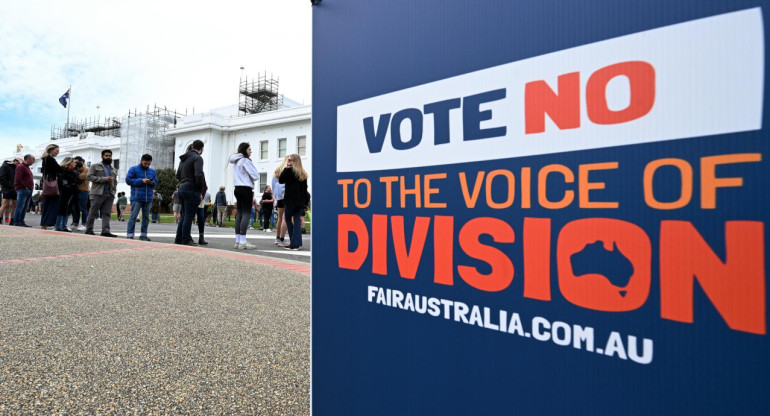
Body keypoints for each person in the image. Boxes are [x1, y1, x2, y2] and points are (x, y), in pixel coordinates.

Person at [228, 142, 260, 249]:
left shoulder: (236, 161)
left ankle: (238, 240)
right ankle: (243, 241)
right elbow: (255, 176)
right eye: (249, 149)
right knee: (246, 214)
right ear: (245, 150)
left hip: (237, 188)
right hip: (246, 188)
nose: (251, 151)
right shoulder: (246, 161)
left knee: (239, 214)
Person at [175, 140, 206, 245]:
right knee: (188, 216)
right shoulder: (198, 158)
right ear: (201, 149)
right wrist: (199, 188)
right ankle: (185, 239)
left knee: (184, 216)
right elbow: (199, 175)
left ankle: (178, 239)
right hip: (191, 188)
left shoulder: (183, 159)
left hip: (182, 187)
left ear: (192, 146)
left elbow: (178, 175)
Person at [278, 153, 309, 251]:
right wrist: (305, 203)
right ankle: (296, 243)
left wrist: (286, 168)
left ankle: (293, 243)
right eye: (288, 160)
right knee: (296, 221)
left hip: (290, 200)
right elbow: (305, 190)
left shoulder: (288, 171)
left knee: (287, 219)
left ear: (294, 161)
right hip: (299, 201)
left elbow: (281, 180)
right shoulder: (303, 174)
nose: (288, 162)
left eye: (290, 160)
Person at [84, 149, 117, 237]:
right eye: (106, 156)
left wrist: (114, 191)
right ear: (102, 156)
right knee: (93, 212)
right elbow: (89, 177)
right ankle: (89, 229)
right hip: (97, 193)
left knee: (107, 213)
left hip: (109, 194)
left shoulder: (113, 169)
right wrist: (104, 179)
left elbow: (115, 181)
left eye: (110, 156)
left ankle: (105, 231)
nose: (108, 157)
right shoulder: (95, 166)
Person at [125, 154, 158, 241]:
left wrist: (152, 182)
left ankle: (143, 235)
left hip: (148, 198)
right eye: (145, 163)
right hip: (136, 197)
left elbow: (156, 182)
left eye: (148, 164)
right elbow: (128, 180)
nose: (147, 165)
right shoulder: (133, 169)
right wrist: (141, 181)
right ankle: (130, 234)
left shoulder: (152, 171)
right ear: (141, 161)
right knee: (133, 216)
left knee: (146, 217)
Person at [39, 144, 62, 230]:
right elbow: (58, 169)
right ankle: (47, 222)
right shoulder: (50, 159)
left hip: (47, 184)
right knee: (51, 204)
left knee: (46, 204)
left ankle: (44, 223)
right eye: (57, 150)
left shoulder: (45, 159)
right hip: (52, 184)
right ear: (51, 150)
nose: (58, 152)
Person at [54, 157, 79, 232]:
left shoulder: (74, 172)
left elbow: (76, 181)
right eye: (73, 162)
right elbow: (62, 181)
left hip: (71, 192)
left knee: (67, 209)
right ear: (69, 162)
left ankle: (64, 225)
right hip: (62, 191)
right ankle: (58, 225)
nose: (75, 163)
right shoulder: (61, 171)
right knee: (61, 208)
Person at [12, 155, 34, 227]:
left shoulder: (26, 167)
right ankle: (17, 222)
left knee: (24, 207)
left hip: (27, 189)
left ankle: (21, 221)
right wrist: (25, 187)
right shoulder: (21, 167)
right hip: (23, 189)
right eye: (33, 160)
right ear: (28, 159)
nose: (33, 162)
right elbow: (18, 178)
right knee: (20, 206)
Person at [70, 156, 90, 231]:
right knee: (75, 208)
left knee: (83, 208)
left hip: (83, 190)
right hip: (75, 190)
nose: (74, 164)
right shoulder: (76, 169)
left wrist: (74, 173)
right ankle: (75, 223)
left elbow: (80, 177)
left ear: (81, 162)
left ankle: (84, 224)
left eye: (76, 162)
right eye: (74, 162)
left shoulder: (86, 169)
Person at [272, 159, 288, 245]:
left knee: (280, 218)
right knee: (285, 218)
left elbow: (273, 185)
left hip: (279, 198)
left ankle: (277, 238)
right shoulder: (288, 170)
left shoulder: (277, 170)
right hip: (286, 196)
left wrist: (276, 197)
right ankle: (282, 238)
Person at [0, 157, 19, 224]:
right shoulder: (4, 166)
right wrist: (8, 185)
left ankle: (12, 219)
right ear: (15, 161)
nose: (19, 165)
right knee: (5, 203)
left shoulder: (16, 168)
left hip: (14, 188)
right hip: (7, 188)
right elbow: (2, 177)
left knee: (15, 204)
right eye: (18, 163)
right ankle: (1, 218)